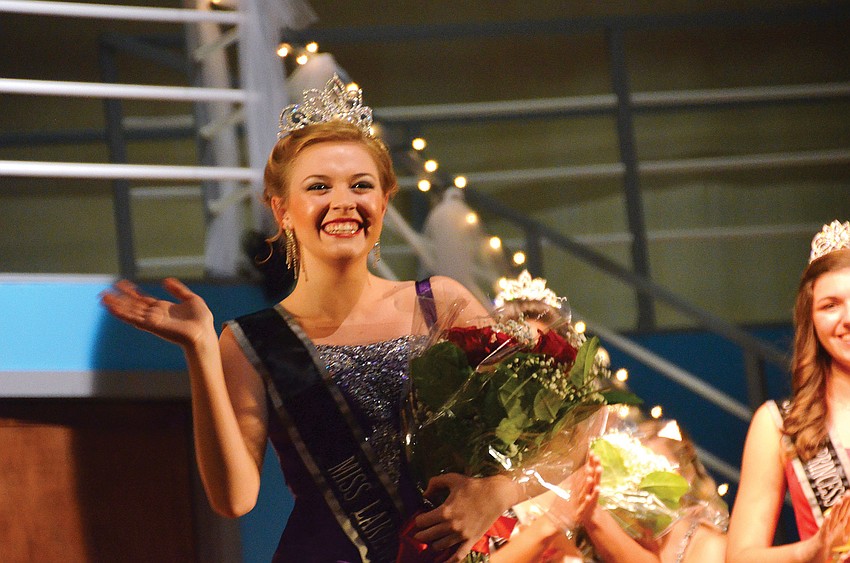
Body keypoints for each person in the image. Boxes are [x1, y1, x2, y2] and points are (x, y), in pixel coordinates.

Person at [101, 75, 525, 563]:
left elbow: (573, 431)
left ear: (384, 202)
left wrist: (499, 493)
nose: (343, 201)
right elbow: (234, 499)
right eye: (319, 186)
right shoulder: (252, 341)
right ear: (282, 210)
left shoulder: (439, 305)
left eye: (361, 185)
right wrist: (199, 349)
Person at [727, 220, 850, 563]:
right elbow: (740, 557)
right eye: (830, 305)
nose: (848, 317)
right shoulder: (779, 425)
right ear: (810, 318)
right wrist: (810, 551)